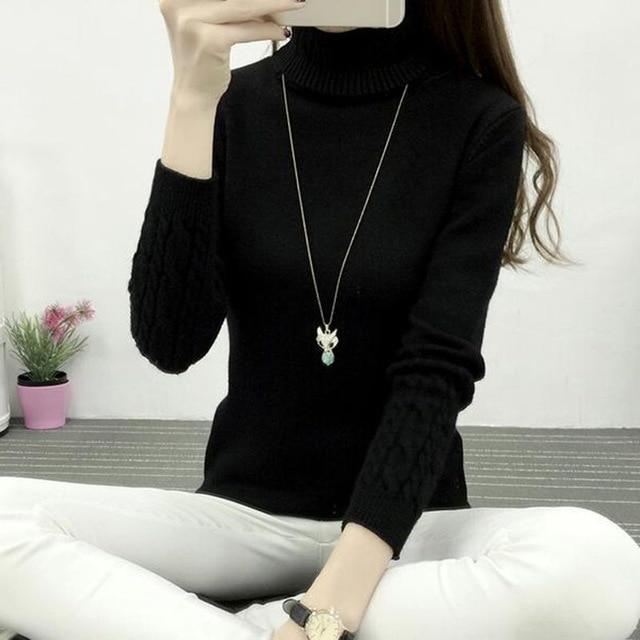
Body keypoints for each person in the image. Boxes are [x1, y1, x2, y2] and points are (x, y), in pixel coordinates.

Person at [1, 1, 639, 639]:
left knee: (599, 567)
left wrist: (329, 607)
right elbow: (170, 342)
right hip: (245, 519)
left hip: (404, 529)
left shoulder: (478, 118)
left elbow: (435, 372)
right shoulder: (233, 103)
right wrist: (191, 100)